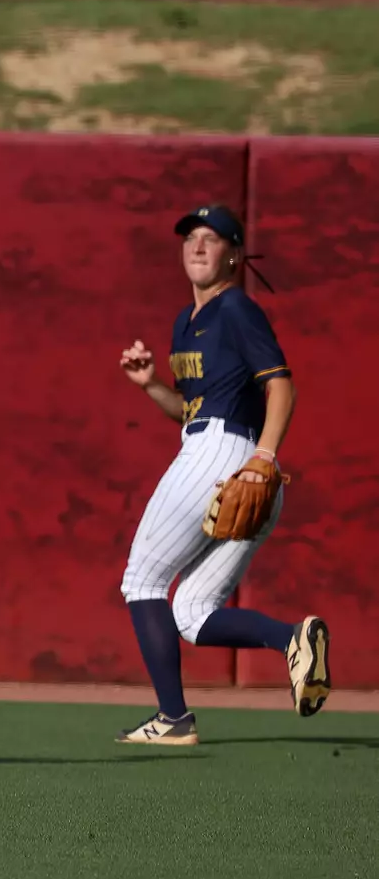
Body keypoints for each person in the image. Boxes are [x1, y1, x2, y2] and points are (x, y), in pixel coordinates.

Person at [115, 204, 330, 746]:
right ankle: (293, 640)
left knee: (142, 581)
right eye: (190, 238)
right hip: (229, 455)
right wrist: (150, 386)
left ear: (235, 255)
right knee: (190, 612)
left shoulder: (236, 308)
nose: (198, 246)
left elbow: (282, 386)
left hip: (234, 457)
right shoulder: (184, 324)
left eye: (212, 239)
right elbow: (189, 414)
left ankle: (173, 719)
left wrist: (262, 459)